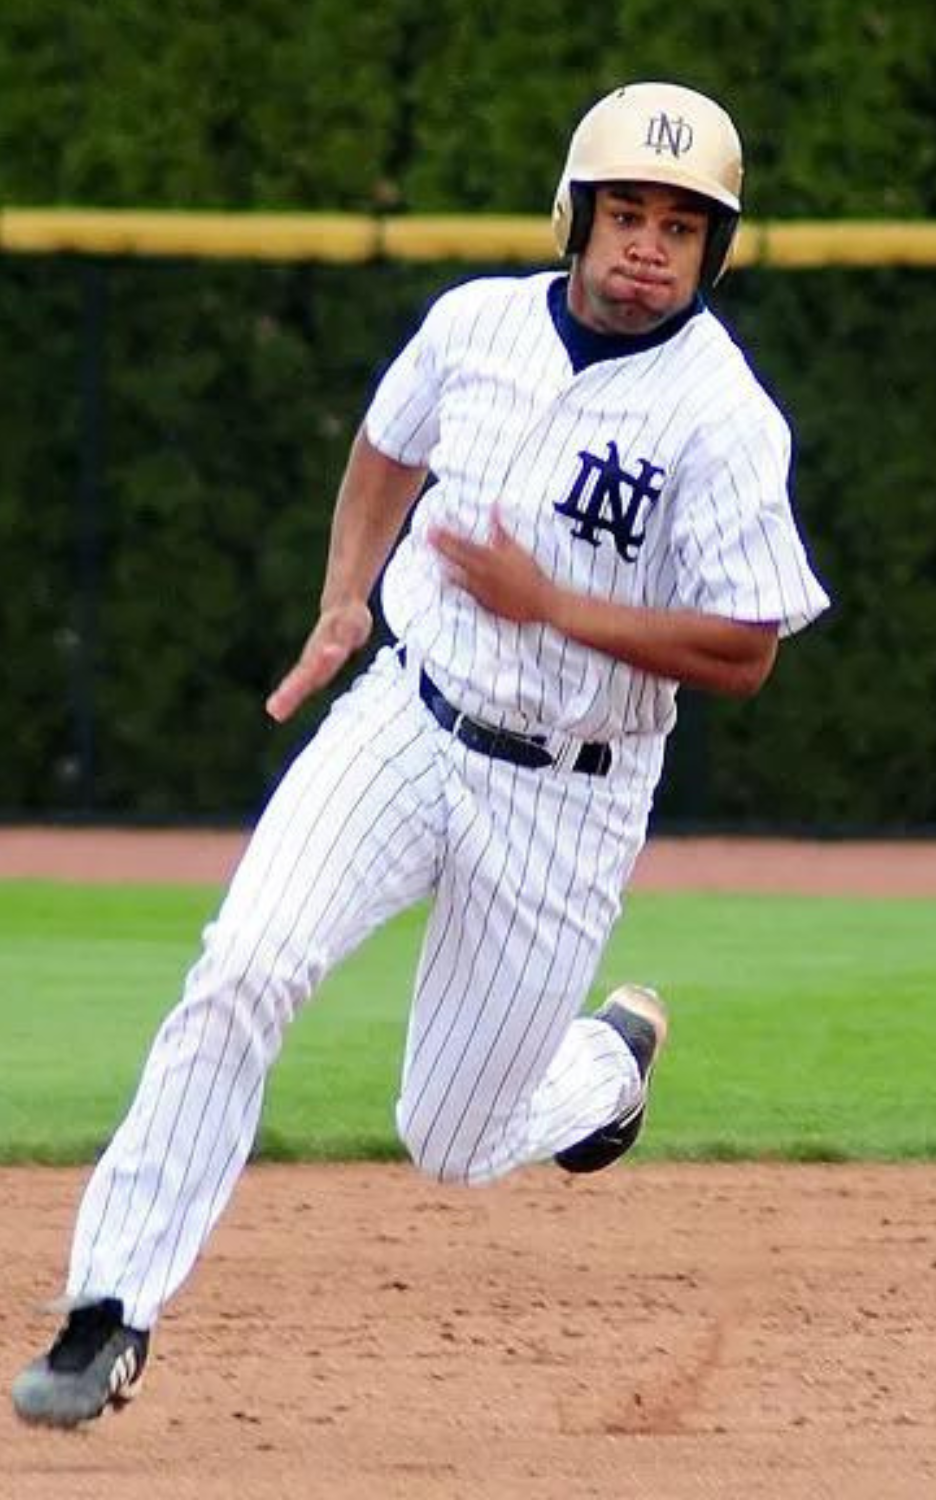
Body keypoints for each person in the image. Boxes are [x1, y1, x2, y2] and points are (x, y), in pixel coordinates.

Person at [12, 79, 830, 1428]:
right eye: (627, 212)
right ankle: (109, 1309)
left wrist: (555, 606)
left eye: (682, 228)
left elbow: (748, 650)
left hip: (567, 797)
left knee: (450, 1142)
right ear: (577, 216)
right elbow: (389, 442)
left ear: (711, 252)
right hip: (409, 714)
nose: (648, 246)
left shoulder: (723, 418)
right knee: (244, 967)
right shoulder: (477, 325)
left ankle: (605, 1068)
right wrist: (348, 589)